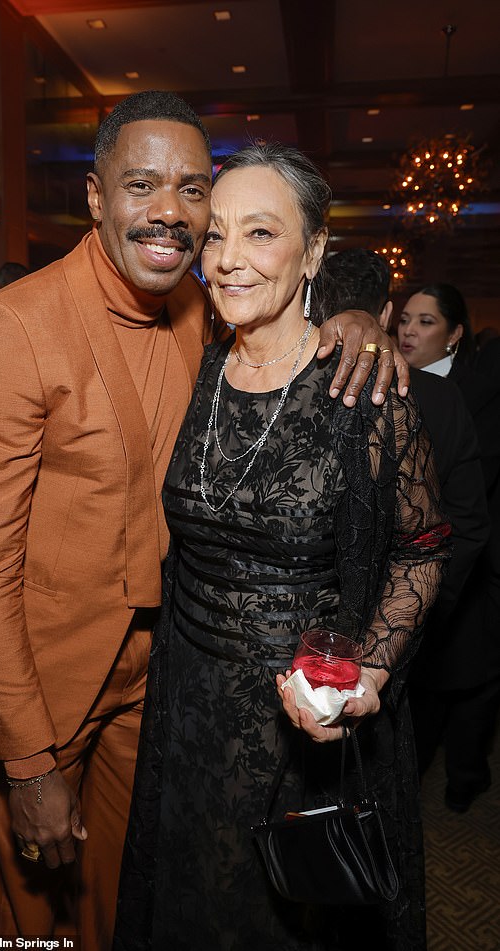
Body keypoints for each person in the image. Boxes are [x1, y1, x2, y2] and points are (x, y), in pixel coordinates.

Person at [0, 91, 405, 946]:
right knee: (36, 923)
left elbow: (281, 317)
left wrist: (353, 319)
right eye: (142, 184)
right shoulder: (15, 326)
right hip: (49, 695)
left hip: (163, 693)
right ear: (94, 195)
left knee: (130, 911)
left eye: (194, 190)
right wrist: (28, 757)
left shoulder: (201, 312)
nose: (171, 212)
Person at [114, 145, 448, 951]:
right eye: (216, 233)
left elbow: (423, 546)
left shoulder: (367, 391)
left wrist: (367, 669)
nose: (227, 260)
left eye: (260, 233)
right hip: (187, 706)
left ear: (315, 250)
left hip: (301, 728)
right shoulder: (196, 364)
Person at [327, 250, 488, 621]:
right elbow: (469, 523)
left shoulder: (284, 385)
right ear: (384, 315)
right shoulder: (442, 396)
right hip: (408, 619)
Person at [398, 284, 500, 810]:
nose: (410, 331)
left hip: (464, 558)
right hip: (416, 564)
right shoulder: (390, 380)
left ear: (455, 334)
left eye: (427, 322)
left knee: (466, 682)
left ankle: (466, 778)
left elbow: (466, 495)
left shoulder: (476, 390)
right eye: (406, 319)